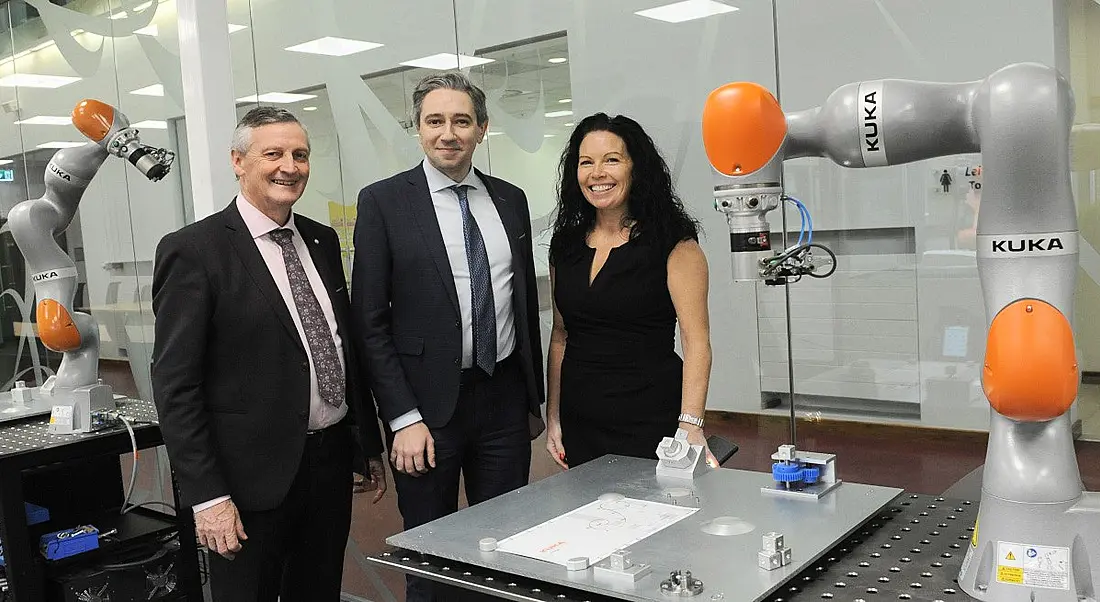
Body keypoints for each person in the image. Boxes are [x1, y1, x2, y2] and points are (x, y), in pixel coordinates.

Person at [151, 107, 387, 602]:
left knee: (318, 590)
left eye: (300, 154)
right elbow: (176, 386)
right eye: (273, 153)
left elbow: (340, 344)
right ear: (238, 161)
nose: (290, 166)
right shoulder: (196, 250)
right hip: (247, 480)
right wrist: (208, 497)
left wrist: (364, 444)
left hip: (327, 465)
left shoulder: (321, 240)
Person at [352, 72, 545, 602]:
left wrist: (534, 399)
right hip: (425, 411)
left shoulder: (510, 199)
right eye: (434, 121)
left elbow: (520, 300)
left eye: (461, 121)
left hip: (503, 398)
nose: (448, 133)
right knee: (430, 559)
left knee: (505, 550)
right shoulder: (384, 202)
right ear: (417, 129)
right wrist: (402, 418)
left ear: (481, 129)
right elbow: (368, 322)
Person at [545, 113, 718, 470]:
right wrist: (554, 417)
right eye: (586, 162)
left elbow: (696, 340)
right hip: (580, 422)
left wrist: (691, 425)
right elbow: (560, 336)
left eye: (612, 160)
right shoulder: (565, 245)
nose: (598, 173)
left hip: (650, 419)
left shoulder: (674, 245)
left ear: (636, 168)